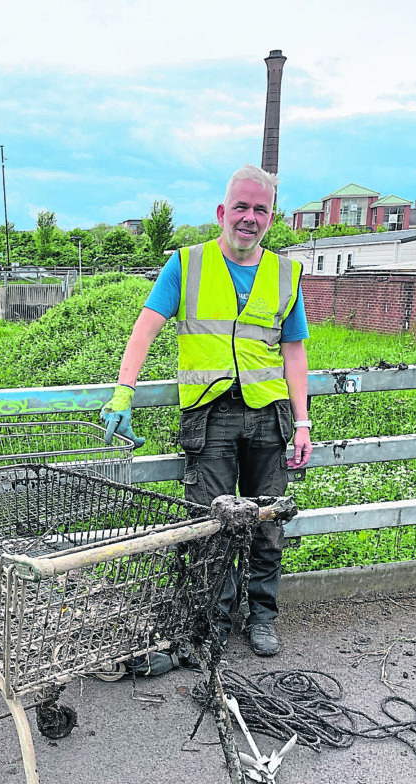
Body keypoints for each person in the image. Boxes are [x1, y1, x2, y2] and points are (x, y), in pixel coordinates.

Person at [101, 164, 312, 662]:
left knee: (267, 524)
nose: (249, 217)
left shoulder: (286, 273)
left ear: (271, 217)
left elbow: (295, 351)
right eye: (241, 207)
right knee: (210, 527)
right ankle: (212, 622)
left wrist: (301, 422)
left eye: (260, 209)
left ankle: (261, 616)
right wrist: (123, 392)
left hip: (269, 416)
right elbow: (145, 328)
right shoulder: (186, 264)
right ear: (223, 212)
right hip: (210, 418)